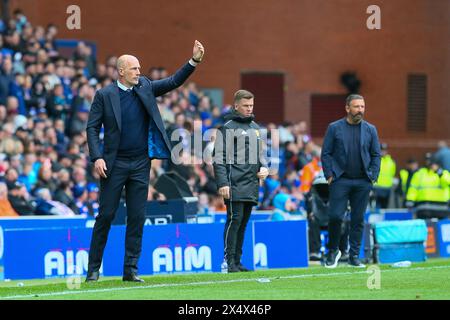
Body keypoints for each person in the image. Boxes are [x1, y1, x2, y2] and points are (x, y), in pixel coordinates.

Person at [85, 40, 205, 283]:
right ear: (121, 71)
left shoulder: (145, 87)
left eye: (139, 69)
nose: (139, 73)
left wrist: (193, 62)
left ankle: (130, 270)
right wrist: (97, 157)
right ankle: (93, 269)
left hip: (141, 163)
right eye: (134, 69)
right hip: (114, 164)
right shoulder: (104, 95)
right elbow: (91, 128)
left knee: (138, 216)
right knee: (106, 215)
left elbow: (173, 82)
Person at [321, 94, 381, 268]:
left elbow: (376, 154)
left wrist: (373, 175)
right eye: (356, 107)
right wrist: (329, 175)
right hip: (340, 180)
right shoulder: (334, 128)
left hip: (363, 181)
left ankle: (354, 256)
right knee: (335, 217)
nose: (360, 110)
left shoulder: (371, 129)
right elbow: (326, 153)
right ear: (347, 108)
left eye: (362, 107)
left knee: (358, 219)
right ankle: (333, 251)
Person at [213, 90, 269, 273]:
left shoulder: (256, 128)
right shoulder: (227, 128)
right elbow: (219, 158)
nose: (249, 109)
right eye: (245, 105)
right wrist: (223, 183)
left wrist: (264, 168)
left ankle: (237, 261)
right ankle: (227, 261)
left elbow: (261, 155)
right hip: (233, 182)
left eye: (251, 105)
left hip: (251, 183)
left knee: (243, 222)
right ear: (236, 105)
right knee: (234, 220)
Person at [406, 154, 450, 220]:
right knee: (425, 228)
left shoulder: (443, 173)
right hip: (423, 208)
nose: (429, 164)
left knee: (440, 227)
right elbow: (413, 189)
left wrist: (439, 172)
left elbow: (448, 181)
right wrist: (410, 200)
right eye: (427, 161)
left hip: (441, 207)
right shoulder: (419, 173)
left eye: (432, 162)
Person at [373, 143, 396, 208]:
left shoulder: (391, 162)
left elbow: (392, 174)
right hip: (376, 187)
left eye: (384, 150)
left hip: (387, 188)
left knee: (385, 208)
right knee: (376, 208)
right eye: (381, 150)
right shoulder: (375, 160)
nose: (383, 152)